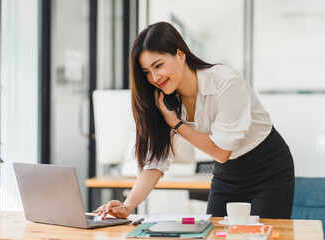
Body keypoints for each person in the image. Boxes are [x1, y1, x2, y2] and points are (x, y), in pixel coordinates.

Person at [96, 22, 295, 220]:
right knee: (212, 234)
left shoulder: (226, 82)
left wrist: (176, 124)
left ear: (180, 55)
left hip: (268, 169)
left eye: (158, 65)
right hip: (226, 174)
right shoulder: (166, 101)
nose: (155, 77)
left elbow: (221, 152)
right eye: (147, 72)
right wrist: (128, 205)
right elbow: (156, 162)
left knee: (264, 234)